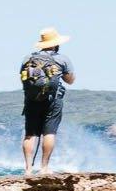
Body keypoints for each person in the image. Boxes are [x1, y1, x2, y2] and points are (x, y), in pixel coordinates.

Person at [18, 28, 75, 174]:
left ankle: (28, 169)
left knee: (30, 134)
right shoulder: (62, 59)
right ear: (56, 44)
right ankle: (44, 168)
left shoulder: (28, 58)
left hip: (31, 100)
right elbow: (70, 81)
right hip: (53, 100)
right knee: (49, 133)